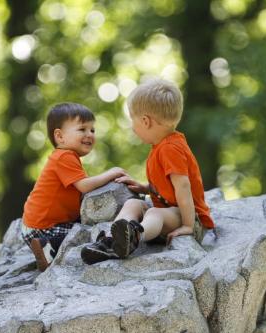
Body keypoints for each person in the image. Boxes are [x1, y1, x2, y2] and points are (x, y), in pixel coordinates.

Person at [81, 79, 215, 264]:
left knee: (154, 214)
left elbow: (183, 187)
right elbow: (167, 187)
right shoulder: (160, 146)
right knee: (133, 205)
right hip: (169, 213)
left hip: (191, 218)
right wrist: (145, 188)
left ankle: (135, 237)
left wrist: (188, 225)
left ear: (145, 121)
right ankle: (113, 240)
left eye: (132, 121)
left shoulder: (171, 148)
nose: (132, 127)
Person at [21, 102, 127, 271]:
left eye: (92, 130)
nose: (89, 134)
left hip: (39, 224)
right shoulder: (64, 157)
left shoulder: (66, 157)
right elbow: (84, 186)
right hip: (43, 227)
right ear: (60, 136)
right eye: (82, 129)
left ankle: (49, 247)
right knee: (83, 233)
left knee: (81, 227)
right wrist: (111, 173)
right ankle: (47, 247)